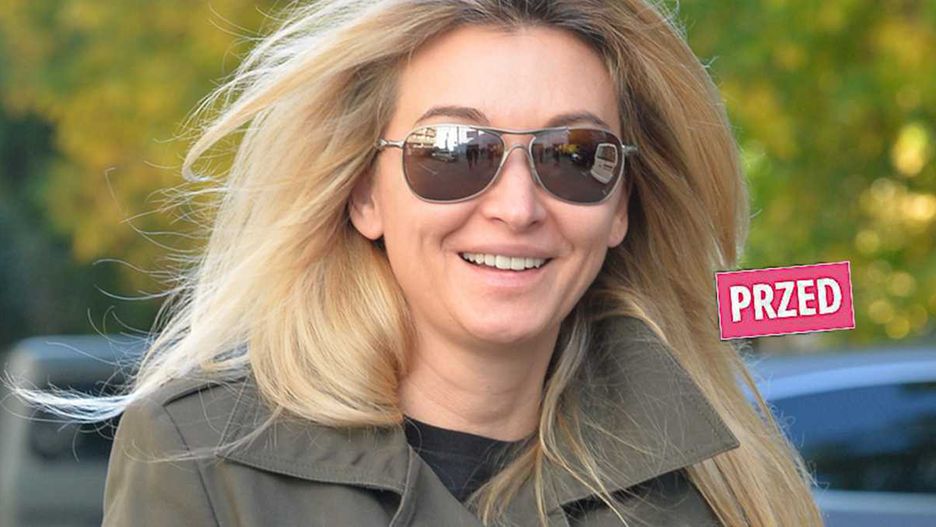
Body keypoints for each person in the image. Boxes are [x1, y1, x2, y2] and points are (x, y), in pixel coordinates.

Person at [13, 1, 823, 525]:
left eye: (575, 154)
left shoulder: (720, 485)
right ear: (365, 193)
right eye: (454, 150)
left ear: (619, 206)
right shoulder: (202, 456)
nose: (517, 206)